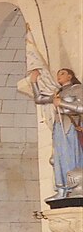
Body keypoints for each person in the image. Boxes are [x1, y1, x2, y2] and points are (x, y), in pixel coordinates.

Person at [30, 67, 83, 200]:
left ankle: (76, 187)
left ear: (70, 76)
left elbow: (81, 107)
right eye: (58, 74)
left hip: (71, 125)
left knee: (70, 156)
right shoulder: (58, 92)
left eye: (63, 73)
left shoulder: (76, 88)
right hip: (59, 127)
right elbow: (39, 99)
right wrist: (33, 82)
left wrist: (62, 103)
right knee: (58, 158)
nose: (59, 76)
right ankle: (62, 189)